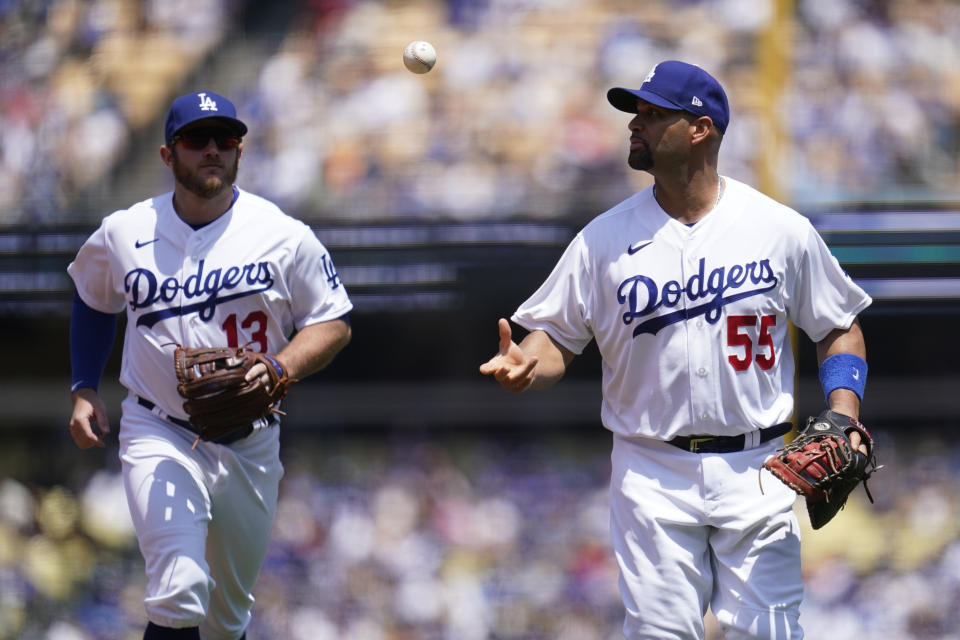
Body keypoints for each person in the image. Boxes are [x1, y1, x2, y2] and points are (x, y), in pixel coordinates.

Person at [480, 60, 872, 638]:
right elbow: (556, 338)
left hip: (760, 467)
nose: (635, 124)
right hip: (650, 468)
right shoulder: (601, 239)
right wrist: (526, 365)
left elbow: (840, 325)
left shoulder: (778, 229)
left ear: (700, 128)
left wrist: (845, 414)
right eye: (635, 112)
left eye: (653, 113)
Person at [67, 90, 353, 640]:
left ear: (240, 152)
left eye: (226, 139)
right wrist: (84, 385)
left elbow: (333, 321)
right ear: (167, 155)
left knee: (226, 620)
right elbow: (92, 295)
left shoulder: (283, 235)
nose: (213, 151)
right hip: (159, 428)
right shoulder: (125, 231)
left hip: (250, 438)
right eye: (197, 140)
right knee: (178, 592)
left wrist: (280, 366)